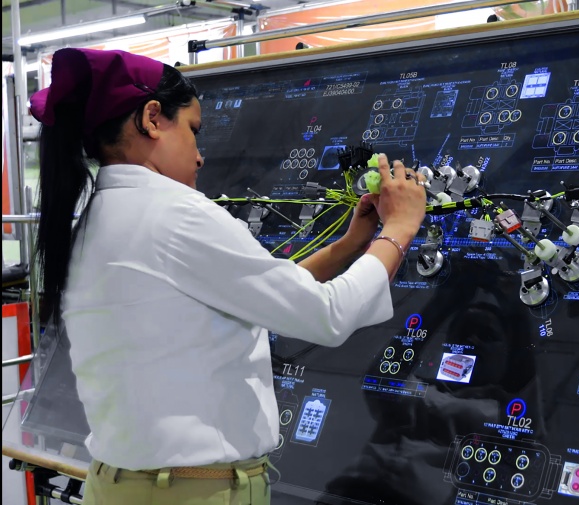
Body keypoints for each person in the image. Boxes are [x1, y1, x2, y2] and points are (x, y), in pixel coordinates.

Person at [30, 47, 426, 505]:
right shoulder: (177, 215)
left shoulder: (97, 220)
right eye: (193, 131)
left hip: (118, 485)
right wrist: (400, 227)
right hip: (194, 492)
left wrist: (349, 246)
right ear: (152, 118)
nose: (200, 157)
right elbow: (328, 316)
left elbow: (260, 294)